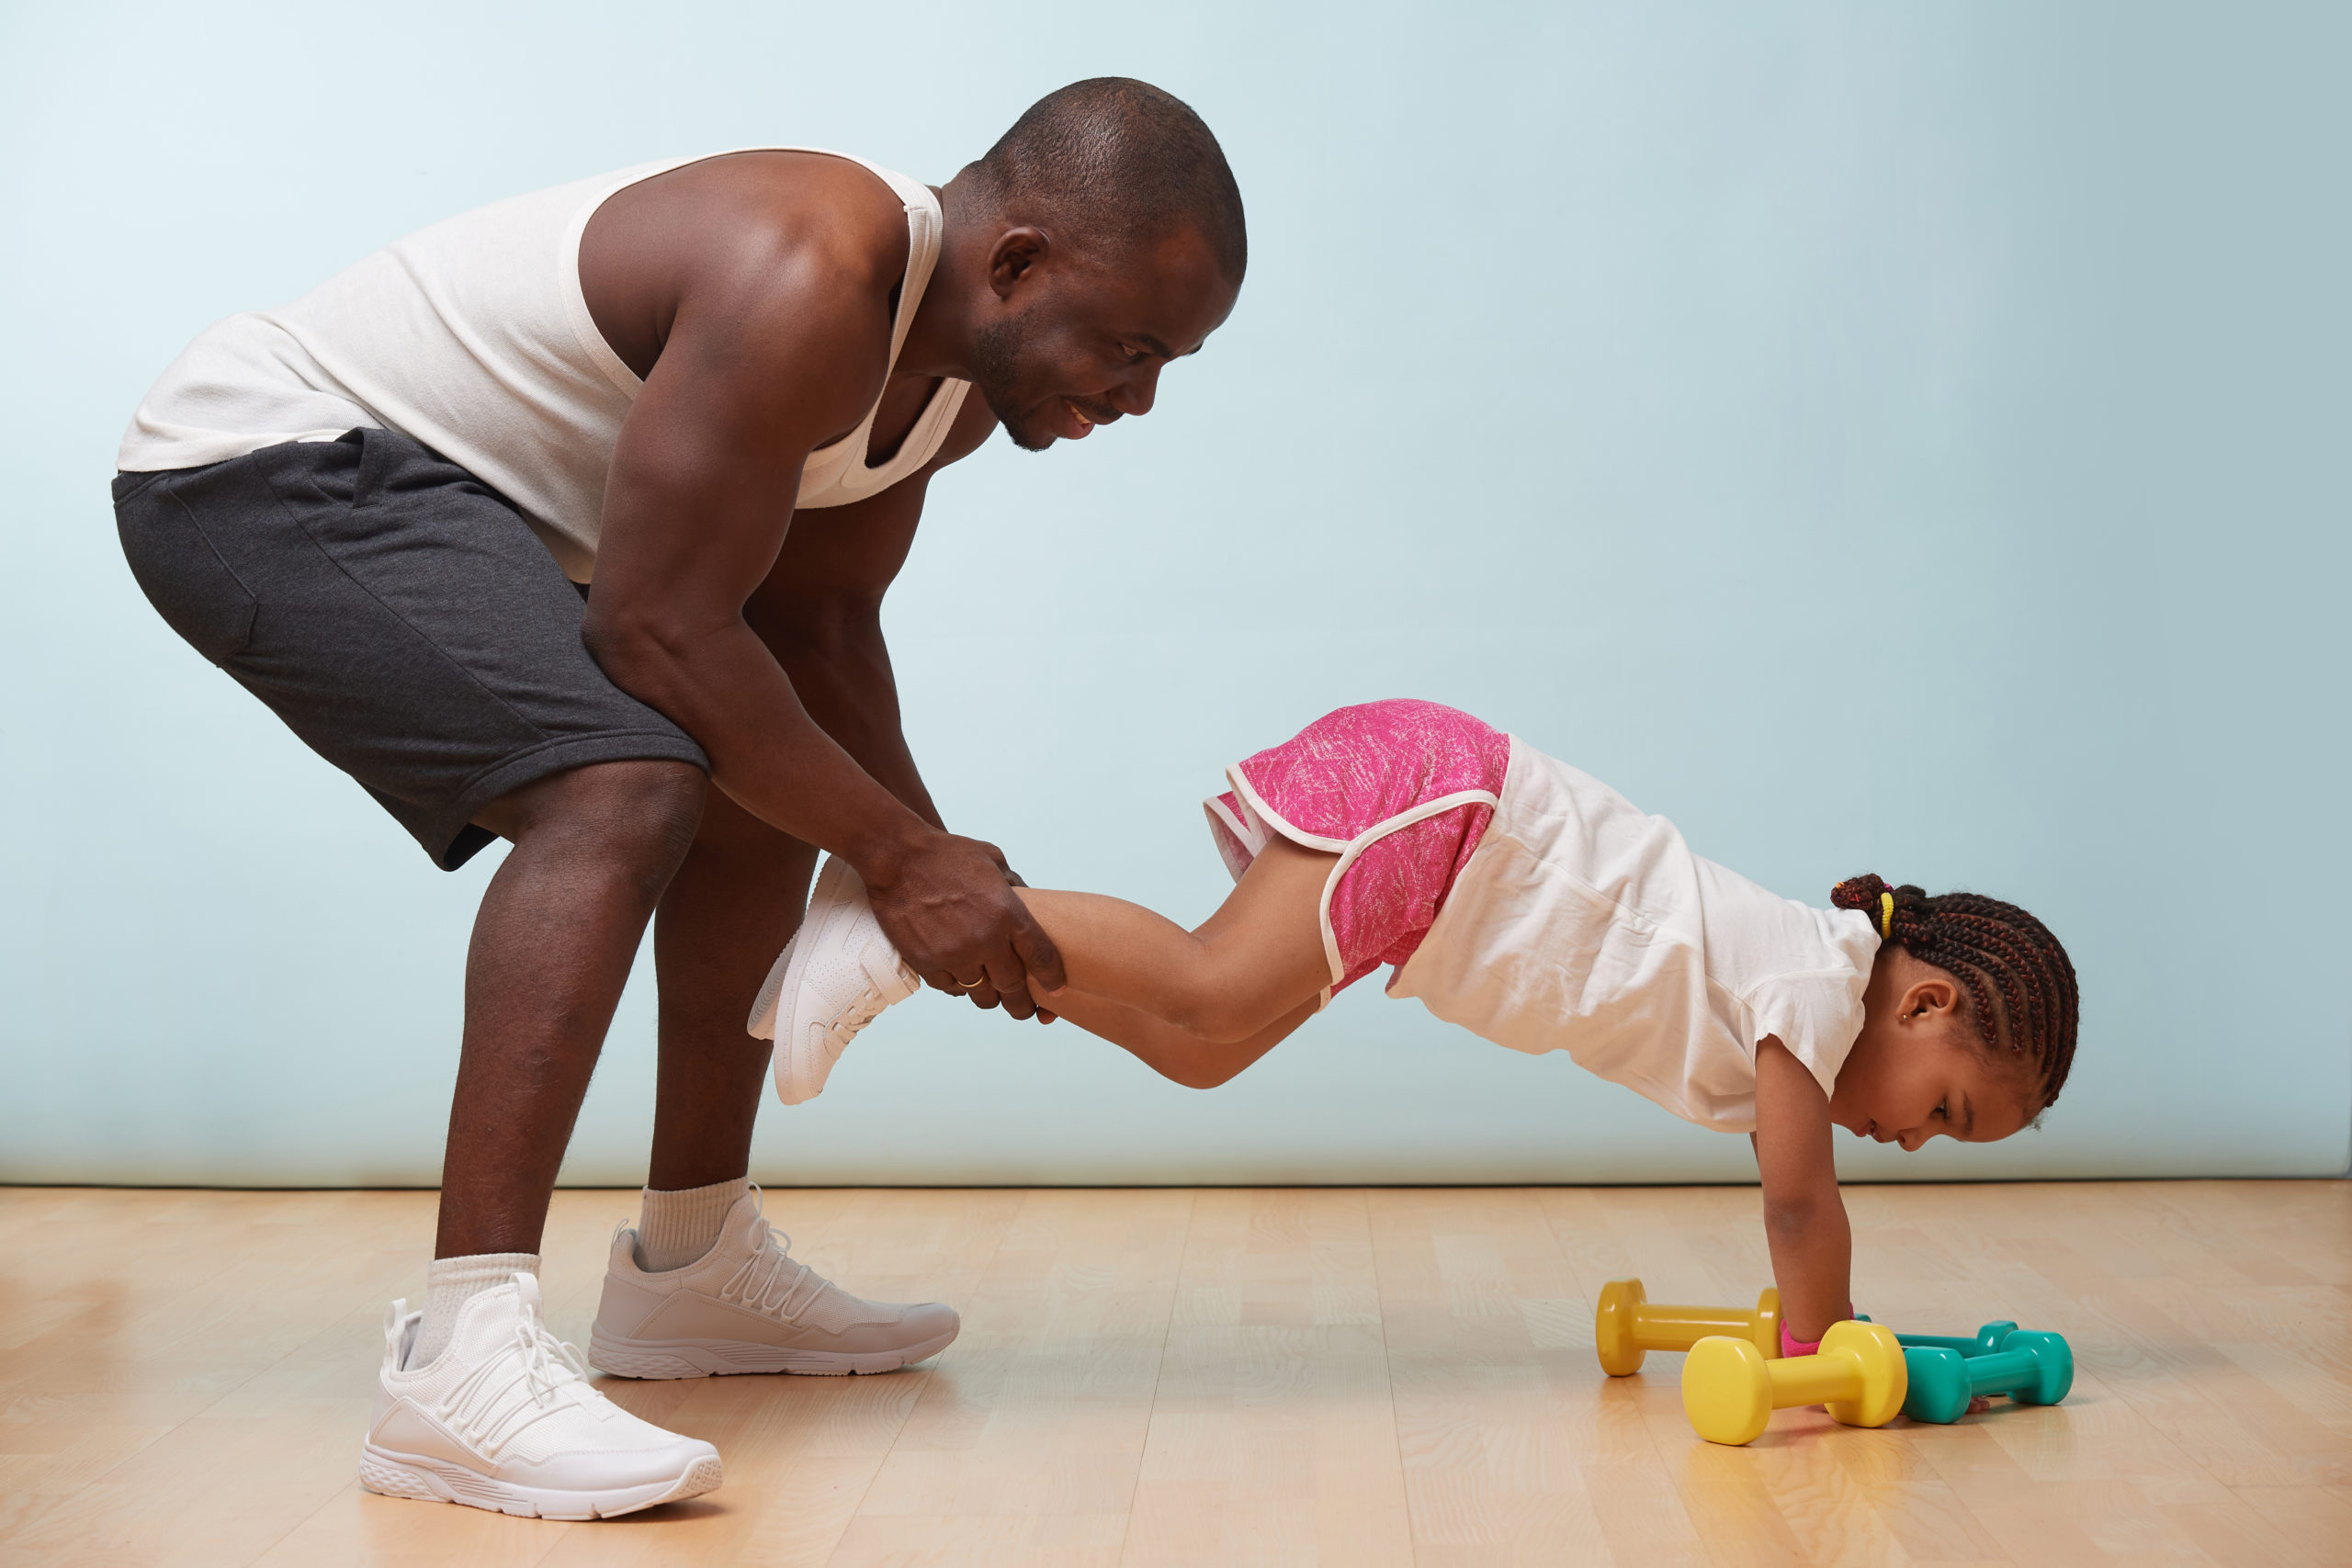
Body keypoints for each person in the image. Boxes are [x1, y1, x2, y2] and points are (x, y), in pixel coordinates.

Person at [109, 79, 1246, 1518]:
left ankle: (691, 1270)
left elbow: (812, 632)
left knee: (760, 779)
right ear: (1017, 263)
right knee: (624, 783)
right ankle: (454, 1364)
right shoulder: (812, 272)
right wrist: (901, 857)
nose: (1137, 396)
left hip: (444, 501)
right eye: (1133, 346)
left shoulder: (949, 391)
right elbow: (653, 632)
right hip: (262, 466)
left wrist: (927, 856)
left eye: (1170, 366)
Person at [767, 698, 2080, 1356]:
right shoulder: (1818, 988)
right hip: (1454, 815)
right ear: (1924, 1001)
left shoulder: (1803, 1006)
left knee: (1200, 1049)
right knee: (1215, 986)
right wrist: (1829, 1349)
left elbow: (1800, 1188)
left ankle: (931, 953)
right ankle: (899, 920)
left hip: (1448, 872)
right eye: (1945, 1110)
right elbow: (1801, 1210)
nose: (1914, 1141)